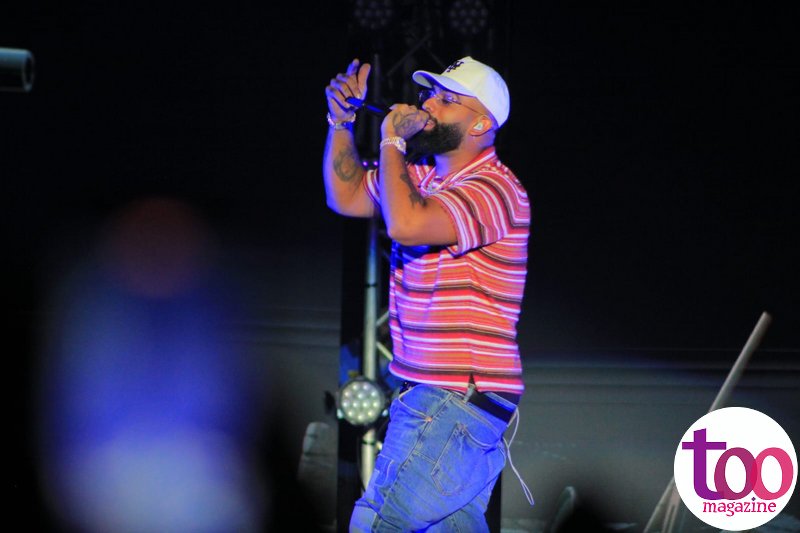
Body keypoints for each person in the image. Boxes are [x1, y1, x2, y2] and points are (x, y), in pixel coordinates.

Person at [323, 56, 531, 532]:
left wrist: (392, 140)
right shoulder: (420, 175)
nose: (429, 105)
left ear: (481, 124)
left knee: (378, 523)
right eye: (429, 94)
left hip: (454, 397)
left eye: (447, 99)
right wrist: (341, 122)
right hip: (440, 395)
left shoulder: (494, 188)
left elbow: (407, 224)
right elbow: (347, 196)